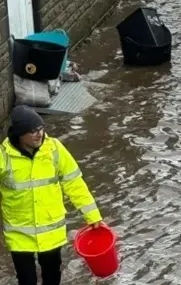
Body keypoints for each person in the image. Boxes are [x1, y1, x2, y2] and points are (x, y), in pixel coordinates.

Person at [0, 106, 105, 285]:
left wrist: (93, 216)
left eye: (41, 128)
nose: (39, 134)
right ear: (19, 134)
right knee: (26, 279)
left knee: (52, 277)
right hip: (19, 233)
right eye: (32, 131)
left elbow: (75, 184)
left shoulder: (55, 149)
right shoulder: (4, 157)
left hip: (51, 231)